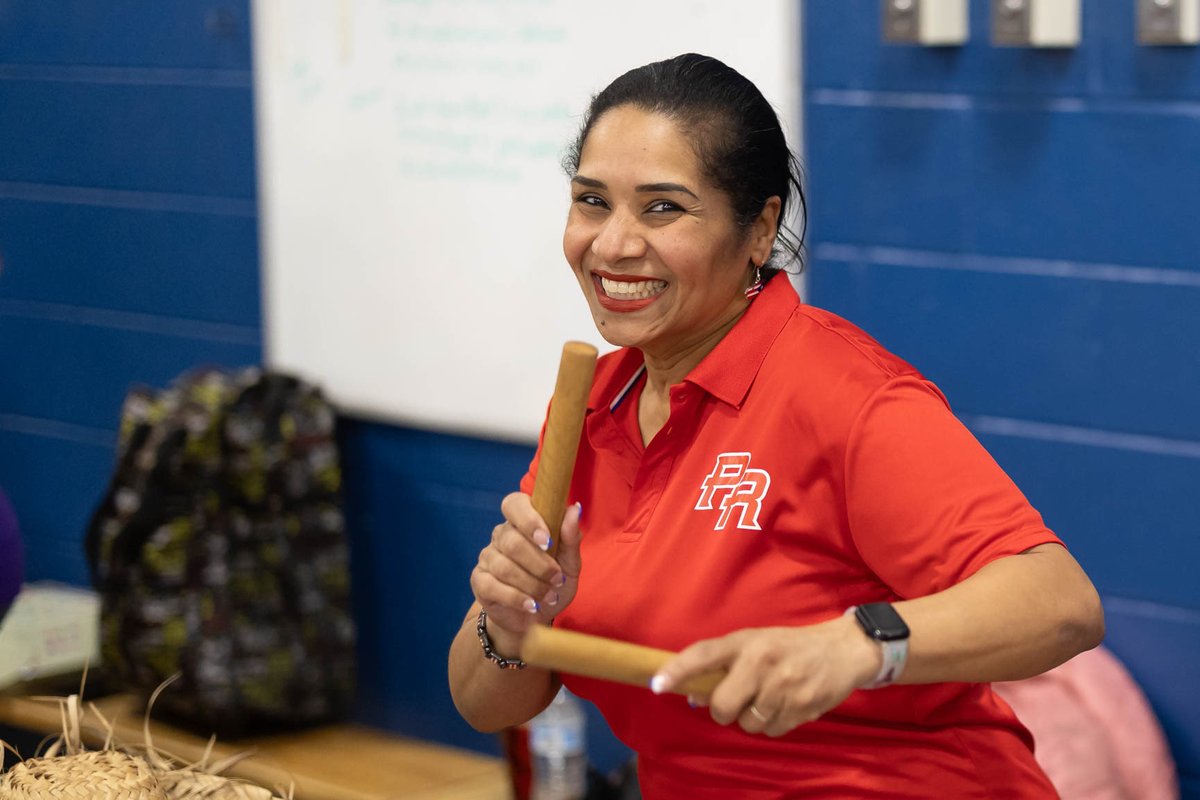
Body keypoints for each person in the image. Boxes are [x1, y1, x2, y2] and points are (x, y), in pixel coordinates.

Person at [448, 53, 1105, 799]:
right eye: (592, 201)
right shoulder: (593, 403)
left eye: (663, 207)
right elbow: (483, 702)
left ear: (759, 230)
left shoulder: (845, 393)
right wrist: (508, 622)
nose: (612, 244)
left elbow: (1062, 606)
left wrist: (856, 645)